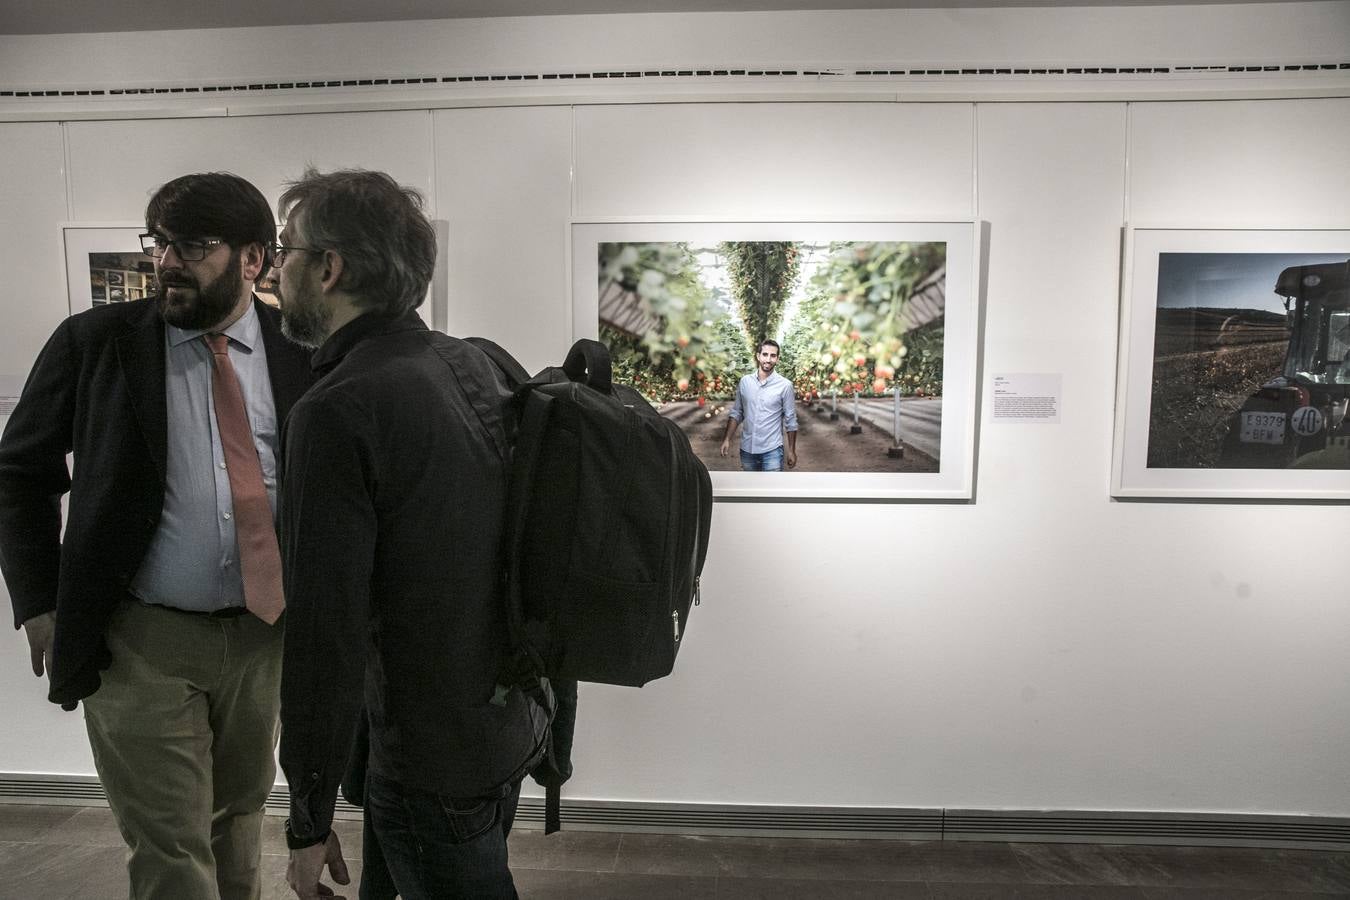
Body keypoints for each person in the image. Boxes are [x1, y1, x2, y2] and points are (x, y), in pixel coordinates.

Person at [0, 172, 314, 899]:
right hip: (138, 639)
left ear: (254, 260)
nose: (167, 262)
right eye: (161, 242)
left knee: (239, 818)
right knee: (170, 844)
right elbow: (19, 471)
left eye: (193, 246)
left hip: (265, 637)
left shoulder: (299, 350)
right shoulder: (96, 343)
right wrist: (40, 601)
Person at [273, 168, 548, 900]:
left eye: (285, 252)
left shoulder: (338, 409)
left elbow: (323, 630)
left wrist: (307, 813)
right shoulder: (476, 364)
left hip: (426, 760)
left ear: (328, 269)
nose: (276, 270)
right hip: (501, 726)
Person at [719, 338, 799, 470]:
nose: (768, 359)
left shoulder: (785, 386)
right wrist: (727, 439)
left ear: (777, 359)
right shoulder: (745, 382)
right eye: (765, 354)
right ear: (758, 356)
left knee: (771, 489)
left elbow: (791, 419)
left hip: (772, 450)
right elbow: (737, 412)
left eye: (773, 356)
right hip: (747, 450)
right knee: (751, 489)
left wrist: (791, 450)